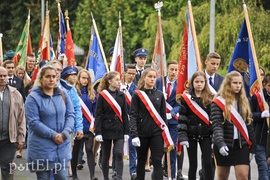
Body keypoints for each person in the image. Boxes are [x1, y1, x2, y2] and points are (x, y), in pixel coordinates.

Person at [25, 65, 74, 179]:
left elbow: (70, 115)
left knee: (62, 177)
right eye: (48, 76)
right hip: (42, 148)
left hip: (62, 146)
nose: (51, 79)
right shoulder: (33, 98)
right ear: (41, 78)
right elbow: (33, 122)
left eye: (54, 76)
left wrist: (65, 133)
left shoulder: (63, 94)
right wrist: (53, 135)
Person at [211, 71, 256, 180]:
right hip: (224, 144)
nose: (238, 86)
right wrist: (220, 143)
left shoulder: (244, 101)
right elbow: (217, 126)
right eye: (235, 83)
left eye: (240, 83)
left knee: (243, 176)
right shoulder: (218, 102)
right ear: (228, 84)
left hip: (241, 146)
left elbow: (249, 125)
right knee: (222, 177)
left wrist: (253, 147)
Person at [130, 68, 170, 180]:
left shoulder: (160, 95)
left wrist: (165, 134)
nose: (152, 79)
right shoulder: (137, 95)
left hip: (156, 133)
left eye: (154, 77)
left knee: (157, 160)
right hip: (142, 133)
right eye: (150, 76)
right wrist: (134, 134)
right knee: (141, 160)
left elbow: (163, 117)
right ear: (144, 78)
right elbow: (133, 115)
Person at [177, 71, 214, 180]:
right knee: (193, 164)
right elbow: (182, 118)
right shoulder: (186, 98)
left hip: (206, 135)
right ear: (192, 83)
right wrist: (183, 136)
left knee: (208, 163)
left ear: (205, 83)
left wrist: (214, 136)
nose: (199, 84)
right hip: (191, 135)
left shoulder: (210, 98)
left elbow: (213, 119)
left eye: (202, 82)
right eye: (196, 81)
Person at [95, 71, 129, 180]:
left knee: (119, 153)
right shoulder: (103, 95)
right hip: (106, 129)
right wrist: (98, 132)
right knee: (105, 156)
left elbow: (124, 114)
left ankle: (119, 177)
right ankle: (106, 177)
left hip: (119, 129)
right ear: (109, 81)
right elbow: (98, 115)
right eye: (117, 80)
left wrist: (127, 132)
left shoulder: (121, 95)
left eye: (119, 80)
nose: (119, 82)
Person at [156, 60, 181, 179]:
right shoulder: (159, 81)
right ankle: (159, 172)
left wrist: (172, 113)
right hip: (159, 121)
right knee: (158, 147)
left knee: (172, 147)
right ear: (167, 69)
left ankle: (173, 174)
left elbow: (180, 102)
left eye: (176, 70)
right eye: (172, 69)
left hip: (173, 122)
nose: (174, 72)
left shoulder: (180, 84)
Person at [0, 66, 26, 180]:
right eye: (0, 76)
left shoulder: (15, 94)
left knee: (7, 166)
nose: (2, 78)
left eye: (4, 76)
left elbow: (21, 118)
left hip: (9, 138)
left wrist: (21, 136)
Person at [74, 69, 98, 180]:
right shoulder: (74, 92)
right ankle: (74, 175)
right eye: (83, 78)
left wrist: (93, 125)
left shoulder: (92, 93)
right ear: (78, 79)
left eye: (87, 78)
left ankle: (92, 175)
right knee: (76, 150)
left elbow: (95, 111)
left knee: (89, 150)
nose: (85, 80)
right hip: (77, 127)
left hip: (89, 126)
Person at [250, 72, 270, 179]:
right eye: (269, 86)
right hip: (260, 139)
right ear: (264, 84)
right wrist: (261, 115)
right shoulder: (257, 98)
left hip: (269, 142)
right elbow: (249, 115)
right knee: (263, 168)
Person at [120, 64, 138, 179]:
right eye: (129, 73)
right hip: (120, 120)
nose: (131, 76)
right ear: (124, 73)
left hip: (131, 120)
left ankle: (133, 171)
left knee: (132, 146)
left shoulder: (137, 89)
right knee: (117, 147)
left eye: (133, 74)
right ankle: (117, 170)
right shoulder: (119, 87)